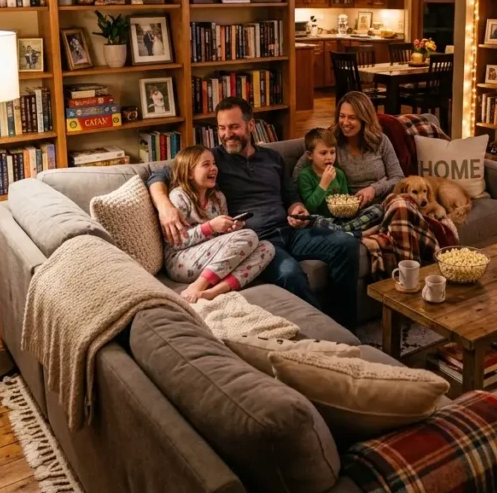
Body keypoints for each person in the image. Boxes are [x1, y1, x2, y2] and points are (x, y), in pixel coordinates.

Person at [147, 96, 360, 326]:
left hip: (292, 230)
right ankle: (324, 332)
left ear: (250, 125)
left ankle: (345, 326)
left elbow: (290, 196)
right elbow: (159, 173)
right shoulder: (212, 161)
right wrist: (164, 206)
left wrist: (296, 208)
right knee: (290, 274)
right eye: (222, 128)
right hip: (257, 241)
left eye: (234, 126)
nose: (227, 134)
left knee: (346, 244)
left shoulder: (272, 157)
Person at [164, 145, 275, 302]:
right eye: (206, 164)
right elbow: (176, 242)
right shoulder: (179, 196)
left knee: (267, 248)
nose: (214, 168)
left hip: (210, 257)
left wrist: (231, 228)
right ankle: (198, 286)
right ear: (189, 173)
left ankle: (214, 292)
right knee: (248, 236)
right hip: (180, 260)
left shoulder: (218, 198)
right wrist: (210, 227)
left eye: (214, 163)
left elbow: (224, 242)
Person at [297, 128, 383, 237]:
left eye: (332, 152)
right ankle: (356, 233)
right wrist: (324, 183)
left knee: (378, 209)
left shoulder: (339, 174)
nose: (329, 157)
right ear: (310, 155)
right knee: (316, 223)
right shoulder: (305, 175)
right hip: (321, 220)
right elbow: (310, 207)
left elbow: (344, 200)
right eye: (323, 153)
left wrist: (354, 203)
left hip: (341, 220)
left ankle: (344, 231)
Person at [331, 92, 404, 207]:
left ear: (364, 119)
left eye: (352, 117)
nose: (345, 122)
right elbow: (301, 168)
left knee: (402, 206)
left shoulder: (380, 140)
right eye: (342, 116)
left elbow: (398, 178)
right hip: (349, 208)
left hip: (383, 202)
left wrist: (374, 189)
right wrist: (297, 204)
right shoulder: (331, 140)